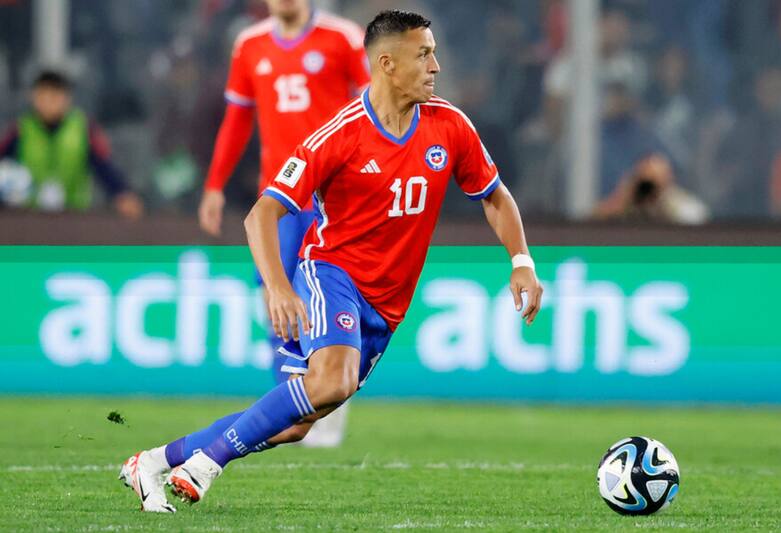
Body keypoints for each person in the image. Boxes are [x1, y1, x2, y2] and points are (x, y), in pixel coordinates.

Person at [119, 10, 543, 514]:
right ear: (387, 63)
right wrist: (278, 285)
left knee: (299, 421)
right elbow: (262, 214)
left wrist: (522, 260)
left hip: (387, 305)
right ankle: (206, 465)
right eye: (424, 54)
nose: (436, 65)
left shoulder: (449, 126)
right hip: (331, 274)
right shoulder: (339, 135)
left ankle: (153, 461)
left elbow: (493, 196)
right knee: (332, 382)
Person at [197, 0, 371, 447]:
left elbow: (378, 105)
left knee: (328, 294)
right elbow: (237, 119)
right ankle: (288, 402)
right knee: (276, 297)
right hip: (279, 198)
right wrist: (215, 184)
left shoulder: (342, 38)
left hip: (333, 195)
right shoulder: (249, 45)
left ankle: (328, 400)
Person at [0, 70, 143, 217]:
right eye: (43, 96)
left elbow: (104, 167)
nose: (48, 103)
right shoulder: (21, 130)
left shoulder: (83, 129)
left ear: (67, 98)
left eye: (54, 96)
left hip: (74, 217)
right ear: (33, 97)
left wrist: (123, 193)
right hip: (29, 217)